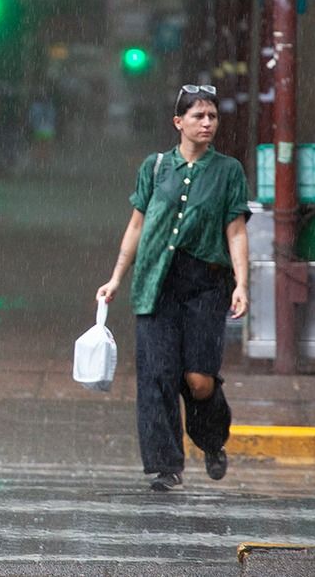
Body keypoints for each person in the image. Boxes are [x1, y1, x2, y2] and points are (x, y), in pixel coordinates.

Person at [95, 84, 250, 492]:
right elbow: (136, 226)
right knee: (158, 376)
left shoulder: (228, 171)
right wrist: (115, 278)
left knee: (198, 380)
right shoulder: (155, 167)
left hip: (207, 284)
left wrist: (242, 284)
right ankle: (165, 466)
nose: (207, 123)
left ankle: (212, 440)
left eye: (212, 116)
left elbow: (236, 231)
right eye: (198, 116)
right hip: (156, 282)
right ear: (178, 122)